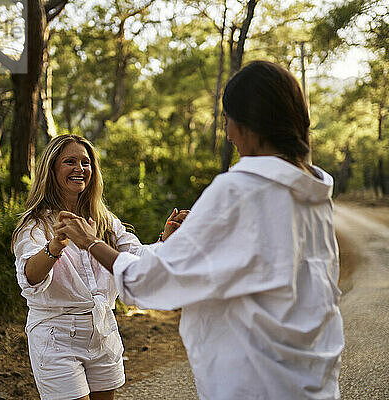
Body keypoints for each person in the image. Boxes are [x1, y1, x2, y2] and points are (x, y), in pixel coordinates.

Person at [57, 61, 345, 399]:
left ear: (249, 124)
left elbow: (149, 282)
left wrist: (91, 242)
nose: (228, 134)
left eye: (228, 122)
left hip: (255, 384)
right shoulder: (312, 192)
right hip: (312, 380)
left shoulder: (239, 190)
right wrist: (184, 241)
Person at [11, 134, 187, 400]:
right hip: (56, 336)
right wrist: (55, 246)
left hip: (103, 331)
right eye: (70, 161)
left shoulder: (105, 220)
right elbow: (29, 277)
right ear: (52, 169)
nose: (79, 169)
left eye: (86, 162)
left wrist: (166, 239)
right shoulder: (36, 224)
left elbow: (136, 259)